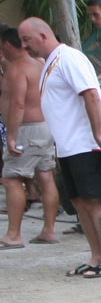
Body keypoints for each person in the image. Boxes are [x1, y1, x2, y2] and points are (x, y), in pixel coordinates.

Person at [19, 18, 101, 278]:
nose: (24, 46)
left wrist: (99, 135)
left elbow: (90, 94)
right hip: (67, 145)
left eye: (26, 40)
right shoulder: (49, 63)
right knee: (79, 201)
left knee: (93, 201)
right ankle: (96, 256)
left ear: (43, 36)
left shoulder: (69, 58)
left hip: (86, 143)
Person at [0, 24, 61, 248]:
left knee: (11, 178)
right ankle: (49, 230)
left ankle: (13, 235)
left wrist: (11, 136)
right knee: (45, 176)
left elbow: (17, 104)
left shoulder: (18, 68)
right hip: (44, 126)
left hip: (26, 128)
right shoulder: (39, 64)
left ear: (6, 44)